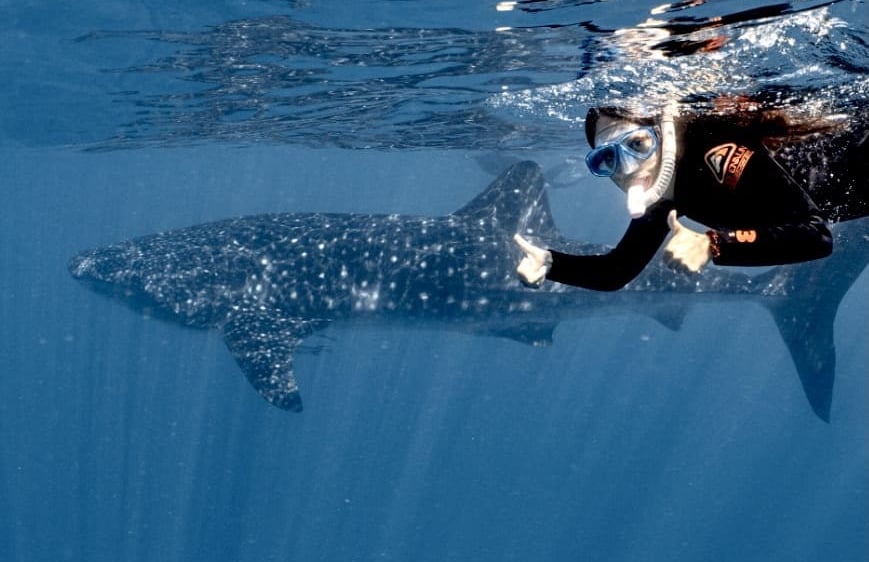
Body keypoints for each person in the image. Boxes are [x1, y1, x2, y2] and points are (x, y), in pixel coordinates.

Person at [514, 102, 839, 291]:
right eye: (608, 160)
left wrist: (712, 244)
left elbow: (817, 235)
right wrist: (551, 264)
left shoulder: (717, 152)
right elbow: (617, 271)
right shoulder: (664, 195)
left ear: (663, 135)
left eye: (638, 145)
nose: (628, 169)